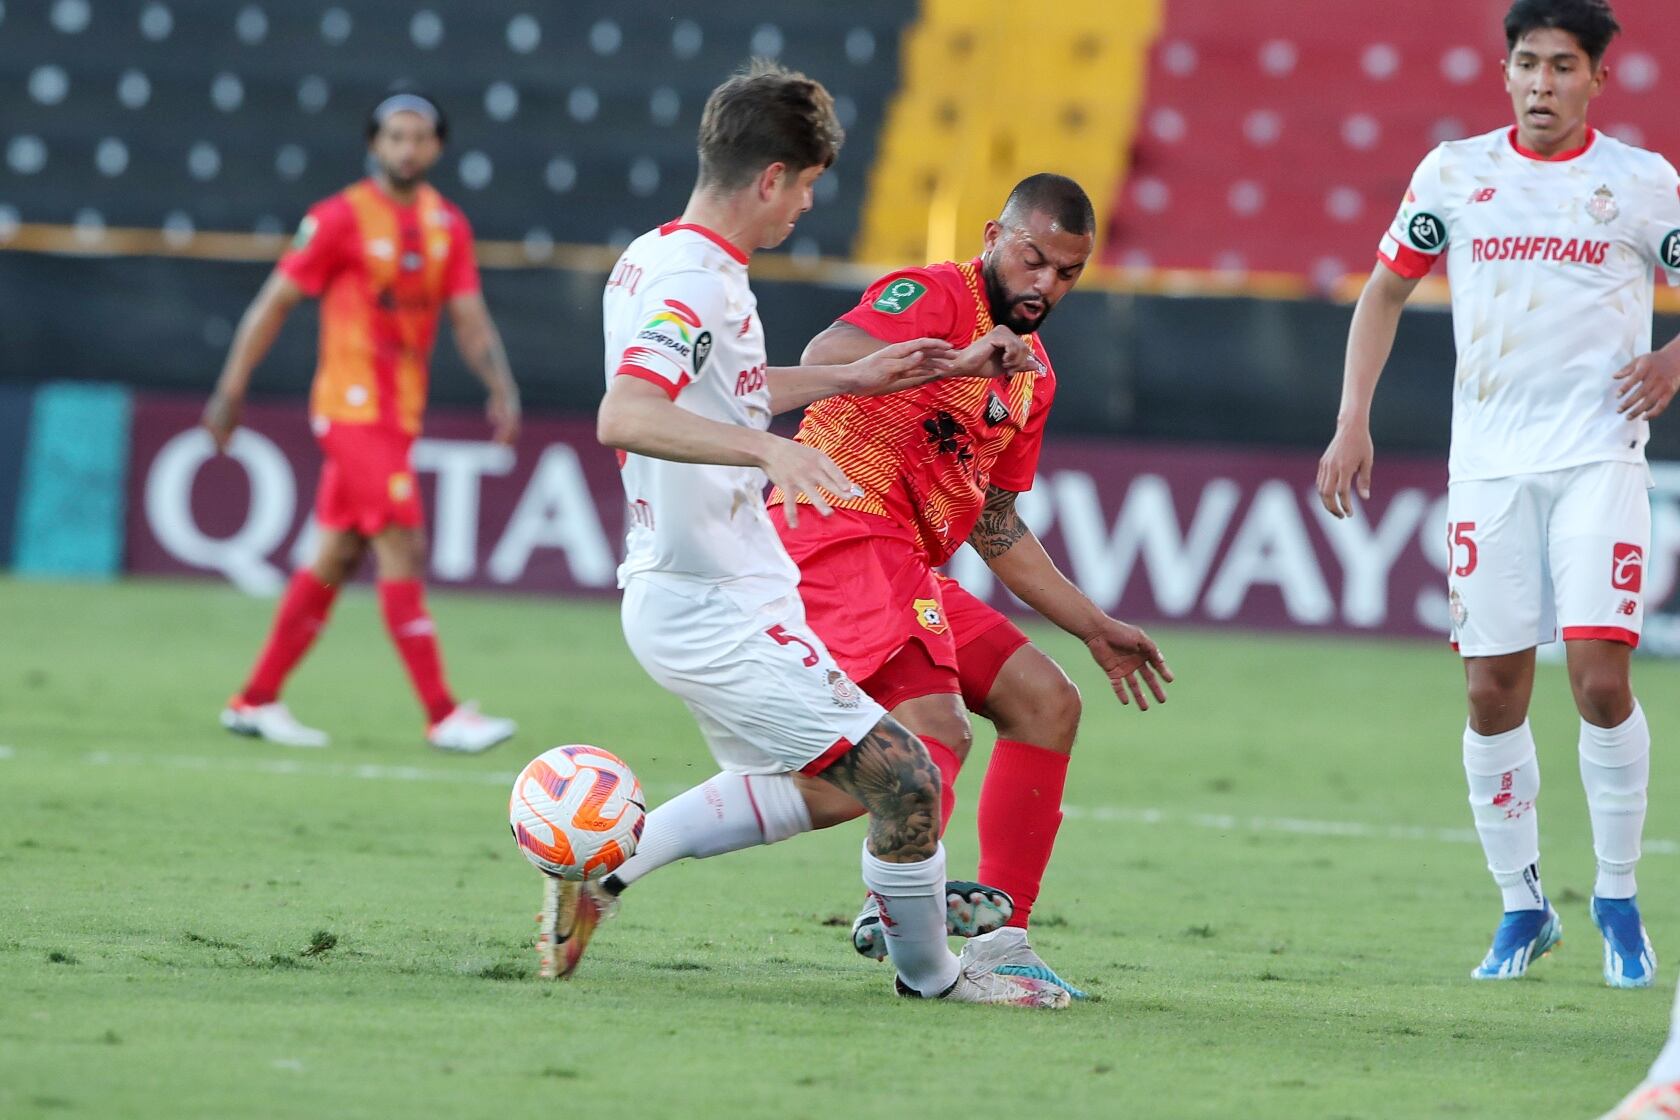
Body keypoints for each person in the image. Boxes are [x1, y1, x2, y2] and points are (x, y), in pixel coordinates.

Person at [584, 174, 1174, 1002]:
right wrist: (948, 363)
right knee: (933, 731)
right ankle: (896, 912)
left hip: (907, 564)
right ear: (993, 235)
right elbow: (827, 359)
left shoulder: (1031, 378)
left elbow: (994, 524)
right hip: (840, 527)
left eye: (1067, 273)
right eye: (1033, 258)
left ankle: (1001, 940)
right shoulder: (933, 295)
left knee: (1043, 702)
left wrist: (1095, 624)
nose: (1046, 284)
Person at [1317, 0, 1680, 988]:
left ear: (1597, 80)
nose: (1542, 85)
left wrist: (1677, 355)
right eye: (1527, 64)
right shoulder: (1455, 175)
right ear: (1506, 71)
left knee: (1602, 678)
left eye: (1564, 67)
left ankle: (1614, 895)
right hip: (1486, 466)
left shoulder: (1643, 185)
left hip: (1600, 455)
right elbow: (1384, 289)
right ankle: (1523, 905)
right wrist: (1353, 419)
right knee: (1490, 691)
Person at [204, 88, 522, 753]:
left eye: (420, 137)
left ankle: (255, 699)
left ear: (437, 146)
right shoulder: (339, 218)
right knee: (403, 542)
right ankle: (442, 713)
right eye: (395, 136)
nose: (407, 148)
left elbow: (468, 316)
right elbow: (273, 304)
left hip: (399, 413)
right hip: (350, 409)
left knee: (336, 557)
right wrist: (230, 390)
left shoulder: (447, 226)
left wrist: (501, 386)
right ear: (375, 144)